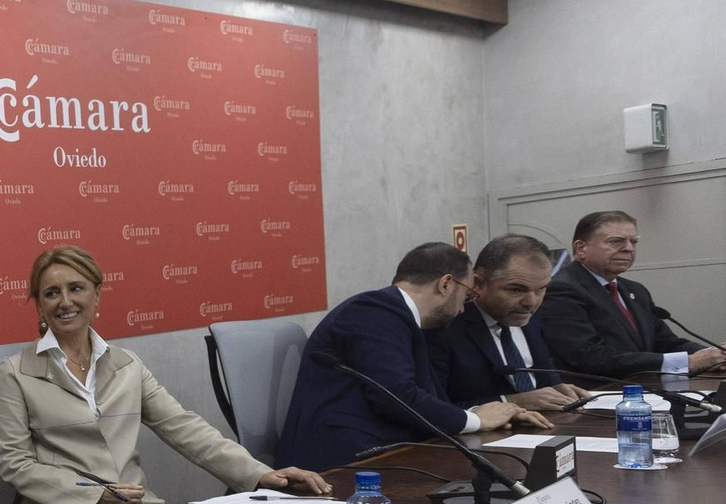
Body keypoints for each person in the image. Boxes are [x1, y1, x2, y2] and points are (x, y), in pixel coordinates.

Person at [0, 245, 329, 504]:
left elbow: (183, 427)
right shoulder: (16, 372)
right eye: (51, 293)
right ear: (39, 306)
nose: (65, 302)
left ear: (97, 295)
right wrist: (95, 495)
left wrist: (259, 474)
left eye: (76, 288)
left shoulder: (127, 365)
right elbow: (14, 463)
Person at [277, 242, 551, 471]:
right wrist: (478, 421)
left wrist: (484, 413)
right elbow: (395, 397)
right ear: (446, 284)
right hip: (341, 460)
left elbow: (424, 396)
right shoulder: (372, 312)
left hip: (382, 450)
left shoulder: (403, 319)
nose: (462, 309)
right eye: (466, 295)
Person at [540, 210, 726, 378]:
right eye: (616, 241)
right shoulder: (563, 289)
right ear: (581, 248)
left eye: (633, 242)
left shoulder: (635, 290)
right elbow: (590, 356)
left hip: (651, 392)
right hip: (599, 397)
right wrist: (689, 362)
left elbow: (666, 342)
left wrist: (714, 354)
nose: (629, 248)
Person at [429, 233, 591, 409]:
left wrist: (557, 388)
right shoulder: (445, 328)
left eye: (541, 289)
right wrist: (512, 402)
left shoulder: (532, 317)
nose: (532, 302)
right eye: (516, 290)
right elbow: (435, 409)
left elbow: (545, 374)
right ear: (478, 283)